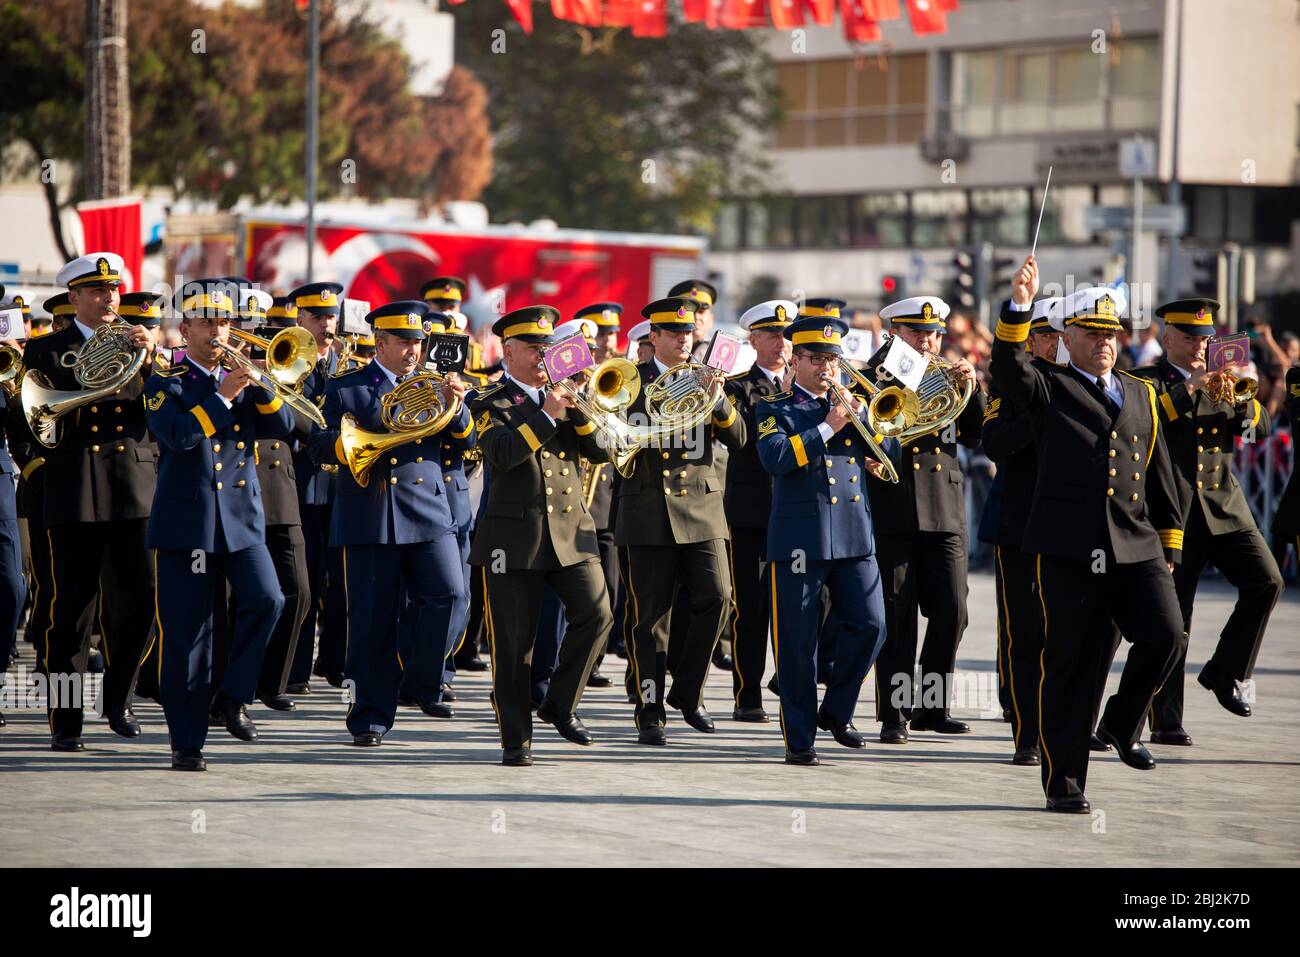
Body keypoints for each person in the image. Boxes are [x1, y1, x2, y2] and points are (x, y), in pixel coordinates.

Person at [991, 256, 1184, 813]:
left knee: (1168, 636)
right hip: (1072, 551)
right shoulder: (1048, 386)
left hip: (1136, 543)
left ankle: (1122, 724)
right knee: (1073, 665)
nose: (1105, 342)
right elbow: (1008, 368)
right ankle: (1064, 781)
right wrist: (1020, 306)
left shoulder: (1139, 392)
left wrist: (1170, 542)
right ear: (1067, 336)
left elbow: (1159, 471)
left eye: (1112, 333)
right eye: (1092, 332)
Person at [144, 280, 294, 770]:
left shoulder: (243, 376)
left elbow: (287, 428)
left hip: (241, 521)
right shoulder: (164, 380)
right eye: (207, 322)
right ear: (184, 327)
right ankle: (186, 741)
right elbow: (178, 436)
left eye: (225, 322)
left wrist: (259, 383)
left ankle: (233, 694)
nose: (218, 331)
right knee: (189, 635)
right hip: (187, 523)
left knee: (268, 598)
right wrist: (223, 398)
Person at [308, 301, 469, 746]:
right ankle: (370, 717)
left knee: (451, 594)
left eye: (418, 342)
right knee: (371, 623)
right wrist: (360, 442)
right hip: (372, 516)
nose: (413, 351)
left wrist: (458, 409)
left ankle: (420, 681)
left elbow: (465, 443)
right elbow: (318, 445)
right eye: (403, 342)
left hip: (429, 511)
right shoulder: (349, 386)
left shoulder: (435, 385)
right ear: (380, 343)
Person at [21, 253, 157, 751]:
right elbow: (41, 424)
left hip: (133, 489)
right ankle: (66, 717)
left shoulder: (140, 346)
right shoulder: (47, 351)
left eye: (114, 290)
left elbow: (159, 412)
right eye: (97, 291)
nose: (109, 299)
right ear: (73, 297)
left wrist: (156, 357)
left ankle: (117, 697)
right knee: (71, 611)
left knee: (142, 598)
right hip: (76, 489)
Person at [1131, 299, 1283, 745]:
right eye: (1191, 338)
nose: (1200, 347)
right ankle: (1165, 719)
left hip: (1223, 506)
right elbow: (1145, 420)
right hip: (1172, 513)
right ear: (1168, 338)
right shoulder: (1146, 381)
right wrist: (1189, 388)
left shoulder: (1223, 380)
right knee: (1175, 621)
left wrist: (1246, 394)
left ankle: (1224, 672)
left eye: (1205, 339)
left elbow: (1259, 432)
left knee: (1267, 581)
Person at [469, 306, 612, 766]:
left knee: (598, 614)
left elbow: (603, 450)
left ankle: (559, 703)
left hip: (572, 532)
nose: (540, 356)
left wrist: (578, 407)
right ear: (507, 351)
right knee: (514, 646)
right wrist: (548, 414)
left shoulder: (566, 394)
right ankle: (516, 739)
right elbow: (503, 453)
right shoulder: (488, 401)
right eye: (532, 348)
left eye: (546, 348)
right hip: (514, 538)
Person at [755, 314, 893, 764]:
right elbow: (776, 458)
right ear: (796, 359)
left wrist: (868, 432)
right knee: (796, 643)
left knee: (872, 624)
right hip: (800, 539)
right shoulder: (774, 407)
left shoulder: (853, 403)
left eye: (833, 358)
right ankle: (800, 738)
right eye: (816, 358)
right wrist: (829, 426)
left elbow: (888, 450)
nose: (826, 367)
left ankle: (836, 710)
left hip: (854, 534)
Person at [617, 297, 746, 745]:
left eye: (688, 333)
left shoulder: (705, 379)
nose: (683, 340)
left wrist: (720, 398)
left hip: (702, 508)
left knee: (719, 597)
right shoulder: (629, 382)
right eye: (673, 333)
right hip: (648, 509)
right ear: (653, 337)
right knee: (650, 618)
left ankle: (688, 693)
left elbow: (739, 437)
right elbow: (613, 437)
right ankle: (649, 709)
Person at [865, 295, 984, 744]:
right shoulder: (871, 374)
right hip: (894, 506)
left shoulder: (947, 374)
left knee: (954, 609)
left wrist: (973, 388)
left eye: (934, 334)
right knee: (897, 618)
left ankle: (933, 708)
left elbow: (975, 434)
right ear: (894, 330)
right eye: (918, 333)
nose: (929, 342)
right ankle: (894, 714)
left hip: (945, 508)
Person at [980, 296, 1061, 766]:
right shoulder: (1008, 387)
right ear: (1029, 341)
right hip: (1017, 525)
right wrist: (1037, 417)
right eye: (1043, 334)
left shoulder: (1076, 386)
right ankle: (1026, 731)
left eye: (1056, 335)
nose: (1051, 343)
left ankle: (1066, 722)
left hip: (1066, 528)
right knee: (1023, 630)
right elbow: (994, 444)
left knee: (1068, 631)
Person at [724, 299, 795, 722]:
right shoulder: (738, 387)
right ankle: (747, 693)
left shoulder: (807, 384)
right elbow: (742, 439)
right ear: (753, 340)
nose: (781, 343)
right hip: (751, 510)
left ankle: (790, 685)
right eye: (772, 335)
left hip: (795, 512)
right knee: (750, 609)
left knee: (797, 608)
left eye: (787, 336)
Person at [285, 281, 346, 693]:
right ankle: (296, 669)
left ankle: (336, 661)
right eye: (318, 317)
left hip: (340, 486)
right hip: (303, 482)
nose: (327, 324)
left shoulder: (344, 365)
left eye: (331, 316)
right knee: (304, 581)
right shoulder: (290, 360)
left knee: (340, 582)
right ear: (300, 319)